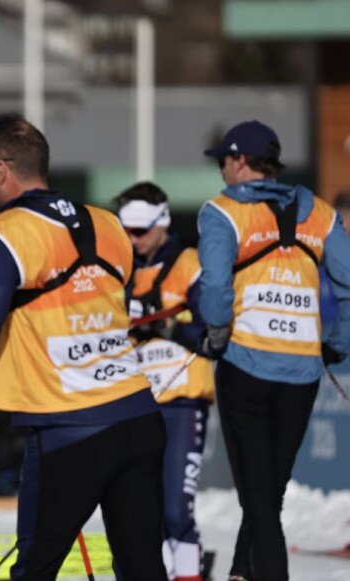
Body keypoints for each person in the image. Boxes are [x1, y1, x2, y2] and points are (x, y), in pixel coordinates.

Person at [0, 113, 167, 580]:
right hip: (136, 416)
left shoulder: (9, 231)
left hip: (70, 429)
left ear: (1, 170)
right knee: (143, 569)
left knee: (35, 570)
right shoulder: (108, 224)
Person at [197, 120, 350, 581]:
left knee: (261, 500)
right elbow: (348, 283)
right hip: (302, 375)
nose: (222, 168)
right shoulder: (320, 213)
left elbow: (216, 289)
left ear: (241, 161)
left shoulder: (222, 212)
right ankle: (242, 571)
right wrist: (335, 345)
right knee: (268, 492)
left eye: (224, 159)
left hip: (246, 367)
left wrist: (216, 335)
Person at [117, 182, 215, 581]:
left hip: (180, 400)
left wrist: (169, 326)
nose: (132, 239)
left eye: (139, 230)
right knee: (145, 511)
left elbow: (213, 332)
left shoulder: (190, 262)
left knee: (176, 510)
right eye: (127, 230)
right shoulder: (123, 270)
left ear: (163, 222)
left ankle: (189, 573)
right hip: (136, 399)